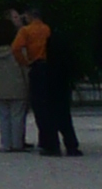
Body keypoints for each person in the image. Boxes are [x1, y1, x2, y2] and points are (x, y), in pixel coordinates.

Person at [16, 9, 82, 159]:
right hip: (60, 77)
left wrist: (25, 62)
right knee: (63, 113)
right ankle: (71, 145)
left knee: (43, 111)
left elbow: (16, 48)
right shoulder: (50, 32)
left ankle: (50, 144)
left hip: (40, 70)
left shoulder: (27, 31)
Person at [0, 14, 29, 153]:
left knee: (3, 117)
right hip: (17, 85)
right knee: (17, 116)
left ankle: (6, 144)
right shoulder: (17, 48)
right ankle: (17, 144)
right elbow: (25, 68)